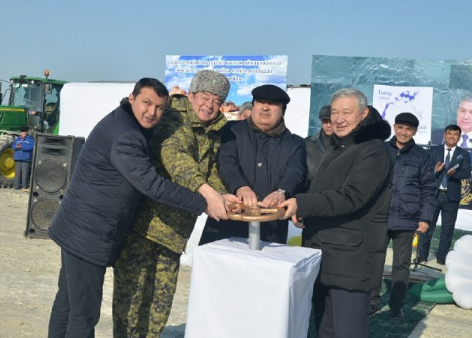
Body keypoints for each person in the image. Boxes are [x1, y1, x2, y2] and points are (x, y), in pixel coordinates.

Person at [47, 78, 228, 338]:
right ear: (132, 98)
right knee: (83, 314)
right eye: (146, 103)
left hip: (78, 227)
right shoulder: (127, 136)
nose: (152, 112)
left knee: (67, 303)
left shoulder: (125, 121)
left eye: (159, 107)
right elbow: (151, 184)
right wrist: (202, 203)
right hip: (89, 233)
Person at [112, 70, 239, 338]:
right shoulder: (173, 119)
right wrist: (208, 194)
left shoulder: (214, 131)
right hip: (144, 228)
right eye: (204, 97)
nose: (209, 105)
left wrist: (223, 193)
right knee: (131, 304)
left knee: (158, 309)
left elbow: (211, 171)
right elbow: (176, 159)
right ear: (191, 95)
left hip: (174, 234)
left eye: (217, 101)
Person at [280, 88, 393, 338]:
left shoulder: (372, 150)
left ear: (363, 114)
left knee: (346, 331)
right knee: (325, 329)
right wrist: (307, 211)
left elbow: (352, 196)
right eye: (334, 112)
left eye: (346, 112)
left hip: (350, 260)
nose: (338, 118)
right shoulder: (339, 148)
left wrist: (303, 203)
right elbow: (327, 192)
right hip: (327, 253)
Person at [199, 84, 307, 245]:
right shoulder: (231, 130)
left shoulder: (295, 143)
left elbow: (296, 172)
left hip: (270, 230)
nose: (265, 108)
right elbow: (226, 162)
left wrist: (281, 192)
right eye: (260, 102)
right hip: (225, 225)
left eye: (272, 104)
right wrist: (241, 186)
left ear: (282, 110)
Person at [369, 112, 436, 318]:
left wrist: (425, 218)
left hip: (407, 219)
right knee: (375, 260)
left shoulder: (422, 156)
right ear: (395, 127)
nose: (403, 132)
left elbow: (428, 189)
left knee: (401, 264)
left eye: (408, 129)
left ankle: (396, 304)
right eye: (400, 127)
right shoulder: (381, 150)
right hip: (380, 216)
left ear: (415, 131)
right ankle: (372, 302)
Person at [418, 125, 471, 265]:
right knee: (426, 226)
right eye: (449, 133)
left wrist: (455, 174)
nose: (452, 136)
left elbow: (466, 173)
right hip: (433, 196)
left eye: (455, 134)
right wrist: (435, 170)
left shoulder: (463, 154)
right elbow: (424, 171)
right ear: (444, 135)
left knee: (447, 230)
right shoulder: (433, 150)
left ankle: (442, 258)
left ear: (459, 138)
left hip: (451, 197)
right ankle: (422, 256)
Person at [305, 104, 332, 189]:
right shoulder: (307, 143)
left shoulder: (347, 144)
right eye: (325, 121)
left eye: (331, 121)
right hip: (310, 195)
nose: (328, 125)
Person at [12, 126, 34, 191]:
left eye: (24, 132)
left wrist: (22, 146)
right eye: (22, 132)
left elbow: (31, 147)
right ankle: (16, 186)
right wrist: (16, 147)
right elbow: (13, 146)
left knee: (25, 174)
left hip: (26, 159)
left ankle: (24, 187)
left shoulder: (30, 139)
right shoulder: (17, 139)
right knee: (17, 174)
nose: (23, 133)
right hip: (18, 158)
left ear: (26, 132)